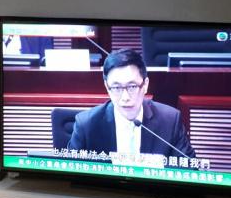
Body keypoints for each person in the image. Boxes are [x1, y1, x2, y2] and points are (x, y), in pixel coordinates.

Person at [67, 49, 195, 158]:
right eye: (116, 88)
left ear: (145, 85)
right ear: (107, 87)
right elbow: (70, 172)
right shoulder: (87, 124)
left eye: (132, 86)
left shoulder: (170, 121)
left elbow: (189, 169)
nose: (125, 98)